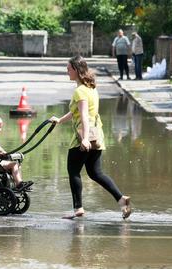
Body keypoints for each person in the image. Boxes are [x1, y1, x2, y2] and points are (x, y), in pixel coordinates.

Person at [49, 55, 132, 220]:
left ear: (76, 70)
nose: (67, 72)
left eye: (69, 69)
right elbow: (77, 113)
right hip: (97, 135)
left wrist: (85, 139)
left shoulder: (79, 91)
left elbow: (84, 116)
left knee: (73, 171)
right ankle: (122, 200)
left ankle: (78, 208)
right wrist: (59, 120)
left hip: (84, 136)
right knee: (96, 173)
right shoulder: (91, 88)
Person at [0, 114, 33, 190]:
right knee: (14, 164)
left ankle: (17, 183)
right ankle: (19, 184)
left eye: (0, 128)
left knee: (17, 163)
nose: (0, 130)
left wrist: (6, 153)